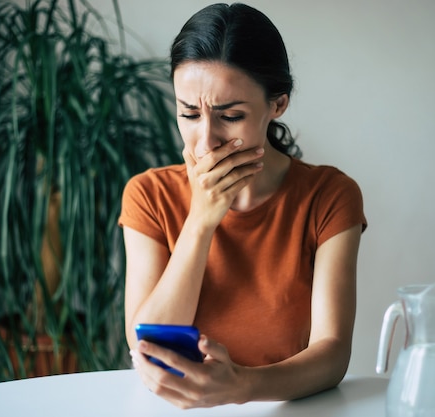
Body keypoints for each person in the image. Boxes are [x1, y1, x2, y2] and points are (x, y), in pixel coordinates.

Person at [118, 2, 367, 409]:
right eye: (189, 113)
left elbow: (333, 352)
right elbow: (148, 346)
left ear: (278, 104)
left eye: (230, 116)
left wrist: (243, 386)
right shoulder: (149, 195)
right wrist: (200, 220)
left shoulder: (329, 196)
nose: (205, 141)